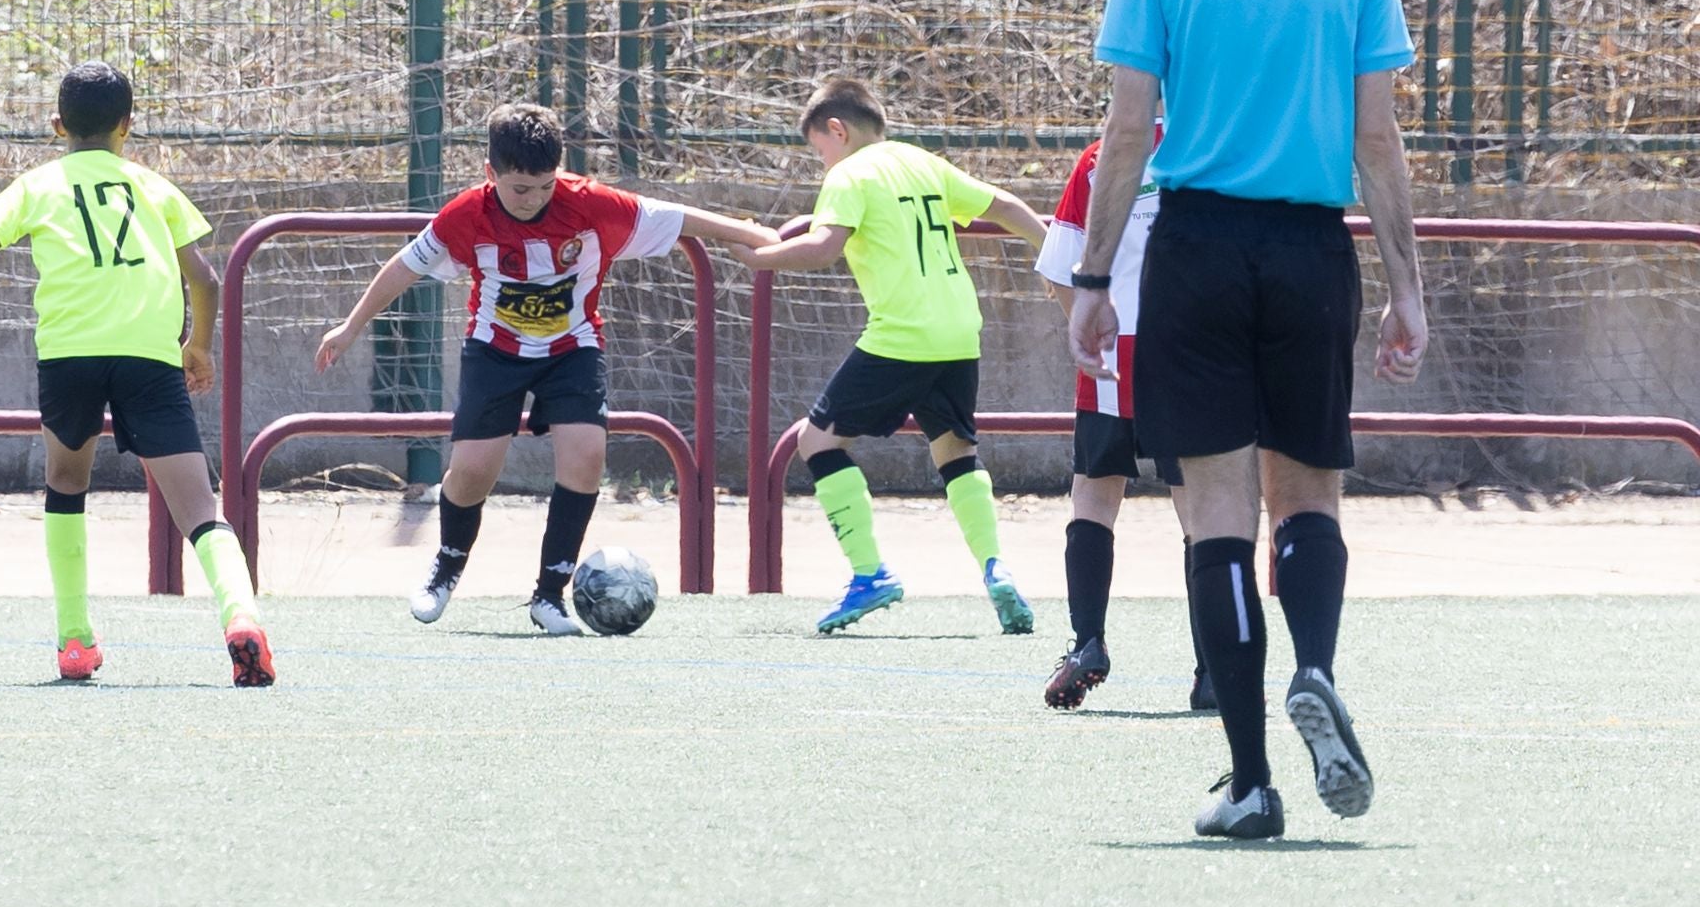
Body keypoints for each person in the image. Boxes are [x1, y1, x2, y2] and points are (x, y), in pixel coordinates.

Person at [1065, 0, 1427, 839]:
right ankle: (1314, 662)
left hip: (1197, 249)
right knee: (1307, 495)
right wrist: (1409, 286)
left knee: (1214, 515)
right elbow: (1378, 138)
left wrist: (1093, 275)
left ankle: (1252, 778)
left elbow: (1128, 130)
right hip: (1312, 249)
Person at [0, 61, 275, 687]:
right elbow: (207, 279)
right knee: (197, 505)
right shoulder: (154, 188)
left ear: (57, 125)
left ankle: (75, 638)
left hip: (69, 356)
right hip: (148, 356)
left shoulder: (36, 186)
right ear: (127, 126)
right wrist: (199, 346)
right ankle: (240, 616)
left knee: (66, 482)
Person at [315, 102, 777, 635]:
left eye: (544, 186)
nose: (533, 199)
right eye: (519, 189)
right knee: (472, 472)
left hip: (572, 349)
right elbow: (403, 267)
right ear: (490, 174)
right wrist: (350, 326)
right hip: (494, 351)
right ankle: (446, 566)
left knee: (587, 456)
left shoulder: (591, 204)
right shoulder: (465, 215)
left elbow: (673, 217)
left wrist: (749, 233)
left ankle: (549, 595)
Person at [729, 78, 1049, 635]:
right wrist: (1048, 246)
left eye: (819, 151)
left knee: (816, 442)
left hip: (902, 337)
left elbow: (824, 246)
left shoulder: (849, 174)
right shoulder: (920, 162)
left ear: (837, 130)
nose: (822, 163)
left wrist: (759, 257)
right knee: (956, 454)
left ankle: (869, 574)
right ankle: (996, 569)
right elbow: (1003, 204)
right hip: (959, 331)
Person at [1036, 117, 1213, 712]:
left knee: (1094, 492)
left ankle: (1087, 642)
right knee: (1200, 509)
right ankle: (1213, 669)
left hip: (1113, 355)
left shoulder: (1099, 158)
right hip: (1192, 356)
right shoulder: (1214, 146)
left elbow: (1060, 268)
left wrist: (1087, 331)